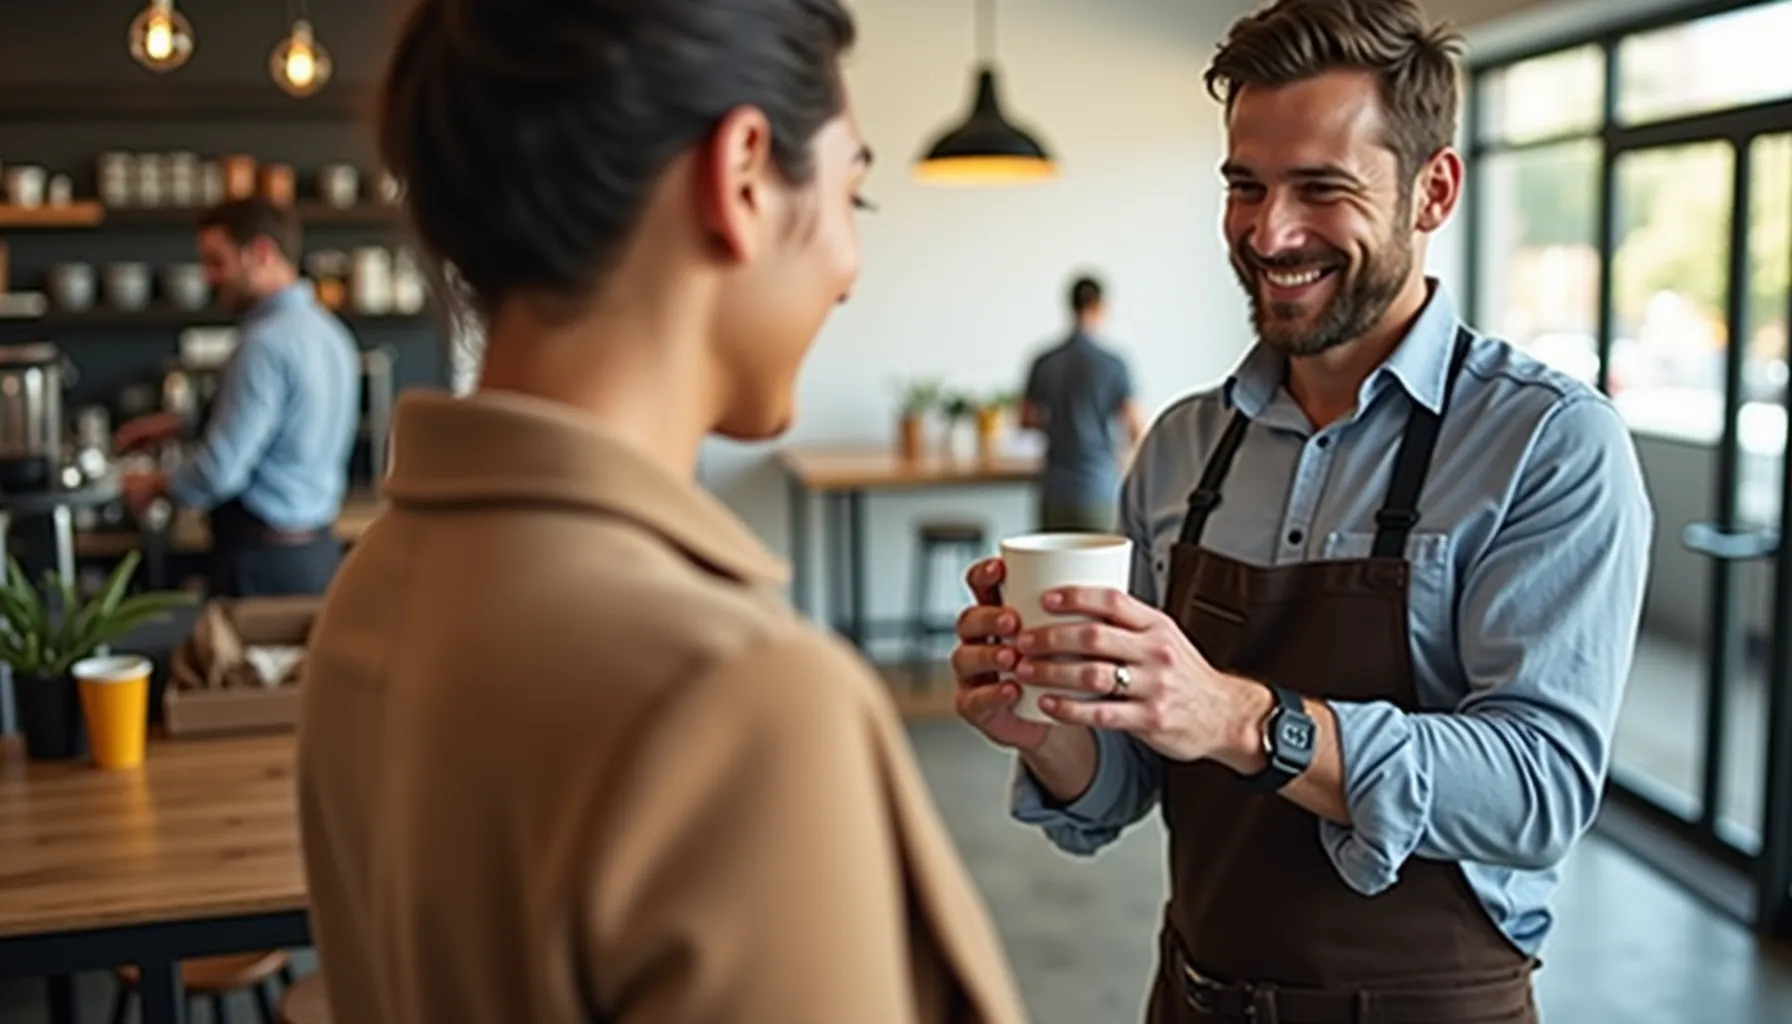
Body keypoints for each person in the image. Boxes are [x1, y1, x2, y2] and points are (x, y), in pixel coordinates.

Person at [295, 1, 1026, 1022]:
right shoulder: (736, 695)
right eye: (851, 196)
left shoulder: (375, 582)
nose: (849, 271)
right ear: (740, 179)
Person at [952, 2, 1654, 1022]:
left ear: (1433, 191)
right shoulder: (1182, 450)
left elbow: (1535, 788)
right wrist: (1044, 726)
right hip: (1189, 997)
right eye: (1245, 185)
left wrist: (1242, 717)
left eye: (1320, 188)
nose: (1267, 232)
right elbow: (1123, 783)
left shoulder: (1548, 442)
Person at [116, 198, 359, 598]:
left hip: (262, 565)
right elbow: (286, 421)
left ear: (261, 253)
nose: (208, 277)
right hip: (316, 554)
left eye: (217, 261)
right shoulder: (330, 332)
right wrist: (179, 425)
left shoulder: (263, 345)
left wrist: (154, 486)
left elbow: (218, 472)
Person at [1019, 274, 1145, 532]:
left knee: (1052, 571)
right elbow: (1134, 429)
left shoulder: (1044, 361)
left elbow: (1025, 419)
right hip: (1098, 487)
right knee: (1099, 571)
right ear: (1100, 306)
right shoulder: (1113, 364)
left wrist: (1059, 424)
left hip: (1055, 490)